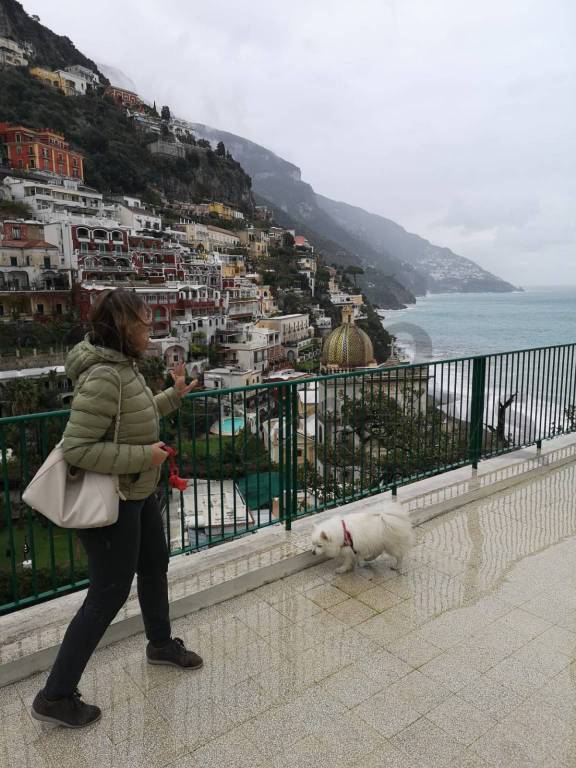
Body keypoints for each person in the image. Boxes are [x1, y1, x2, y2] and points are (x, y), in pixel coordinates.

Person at [31, 289, 202, 729]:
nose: (151, 331)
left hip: (138, 493)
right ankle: (56, 694)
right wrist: (143, 459)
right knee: (106, 596)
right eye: (144, 324)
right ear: (122, 327)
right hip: (116, 500)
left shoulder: (126, 368)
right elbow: (79, 448)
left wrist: (172, 396)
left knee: (154, 564)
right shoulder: (105, 376)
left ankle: (160, 644)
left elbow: (135, 417)